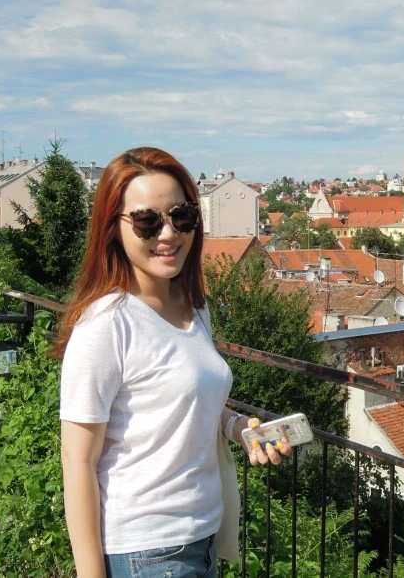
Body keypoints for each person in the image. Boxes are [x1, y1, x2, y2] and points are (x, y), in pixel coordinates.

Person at [54, 147, 289, 577]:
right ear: (113, 228)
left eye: (182, 217)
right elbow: (78, 461)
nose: (168, 234)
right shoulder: (106, 325)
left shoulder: (193, 308)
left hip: (202, 537)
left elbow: (186, 401)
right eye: (147, 221)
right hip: (148, 552)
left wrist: (239, 428)